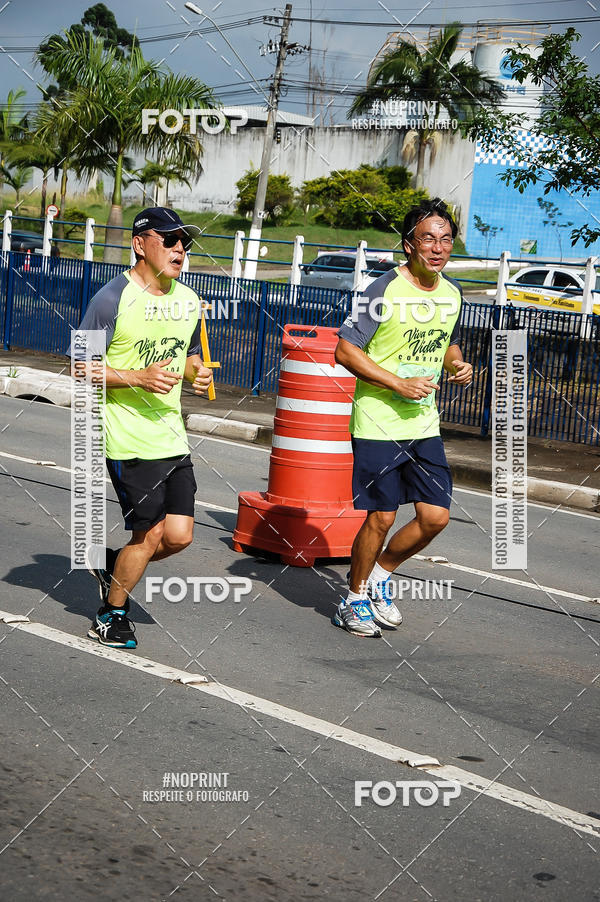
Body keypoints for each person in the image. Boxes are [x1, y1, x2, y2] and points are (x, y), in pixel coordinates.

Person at [333, 198, 473, 637]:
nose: (438, 247)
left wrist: (457, 364)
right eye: (428, 238)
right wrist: (396, 383)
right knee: (382, 517)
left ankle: (379, 577)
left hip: (422, 423)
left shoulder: (452, 294)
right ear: (408, 245)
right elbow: (345, 350)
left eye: (446, 239)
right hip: (377, 421)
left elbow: (447, 341)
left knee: (435, 517)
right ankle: (353, 599)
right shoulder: (384, 289)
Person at [74, 207, 212, 649]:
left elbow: (189, 354)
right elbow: (80, 366)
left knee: (179, 536)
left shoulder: (188, 300)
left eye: (184, 243)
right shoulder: (112, 299)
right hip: (127, 436)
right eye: (168, 240)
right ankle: (110, 615)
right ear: (139, 244)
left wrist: (197, 373)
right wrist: (138, 376)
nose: (179, 250)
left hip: (171, 434)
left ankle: (117, 565)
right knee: (149, 532)